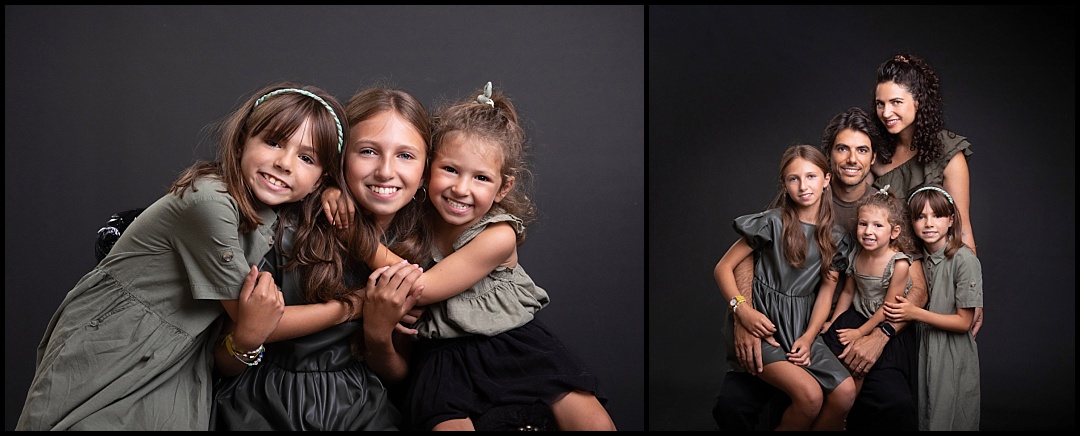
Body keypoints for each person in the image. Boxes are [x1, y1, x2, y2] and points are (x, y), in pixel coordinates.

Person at [16, 82, 347, 430]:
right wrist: (349, 308)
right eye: (273, 142)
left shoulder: (275, 214)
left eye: (306, 158)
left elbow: (245, 335)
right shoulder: (209, 201)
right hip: (116, 343)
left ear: (316, 181)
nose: (284, 163)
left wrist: (336, 194)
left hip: (181, 358)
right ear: (240, 143)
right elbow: (255, 317)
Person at [364, 81, 615, 431]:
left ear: (504, 188)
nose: (461, 188)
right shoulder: (411, 226)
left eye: (481, 177)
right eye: (449, 169)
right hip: (442, 360)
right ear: (427, 169)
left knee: (593, 422)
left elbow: (421, 287)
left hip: (513, 347)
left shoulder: (498, 235)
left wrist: (355, 239)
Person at [211, 86, 432, 430]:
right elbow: (227, 354)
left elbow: (400, 374)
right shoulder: (285, 228)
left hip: (360, 406)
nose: (386, 171)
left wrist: (377, 332)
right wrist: (353, 306)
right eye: (368, 151)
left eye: (405, 156)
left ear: (425, 172)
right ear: (338, 158)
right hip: (266, 402)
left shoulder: (414, 247)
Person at [713, 108, 927, 431]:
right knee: (743, 404)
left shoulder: (882, 208)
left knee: (876, 401)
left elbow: (915, 286)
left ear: (872, 160)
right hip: (778, 322)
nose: (852, 158)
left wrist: (877, 334)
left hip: (846, 324)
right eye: (842, 149)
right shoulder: (784, 211)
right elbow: (741, 260)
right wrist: (742, 312)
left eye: (862, 150)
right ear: (829, 159)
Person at [713, 144, 856, 430]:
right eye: (794, 179)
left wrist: (809, 336)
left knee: (845, 393)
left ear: (827, 180)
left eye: (811, 177)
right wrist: (742, 311)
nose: (804, 186)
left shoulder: (836, 238)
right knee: (810, 396)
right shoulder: (771, 223)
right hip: (766, 328)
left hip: (802, 328)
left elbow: (826, 293)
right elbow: (722, 268)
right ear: (785, 185)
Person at [869, 52, 983, 337]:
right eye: (880, 104)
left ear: (918, 102)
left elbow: (963, 226)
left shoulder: (947, 152)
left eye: (896, 102)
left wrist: (971, 294)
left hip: (941, 274)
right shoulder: (877, 155)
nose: (886, 112)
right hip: (892, 279)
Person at [884, 185, 982, 430]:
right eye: (920, 217)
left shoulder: (964, 260)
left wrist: (915, 313)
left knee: (947, 415)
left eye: (937, 216)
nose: (928, 223)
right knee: (922, 414)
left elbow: (963, 323)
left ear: (950, 220)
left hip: (951, 351)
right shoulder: (919, 258)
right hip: (923, 346)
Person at [821, 186, 916, 401]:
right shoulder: (857, 253)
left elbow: (887, 307)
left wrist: (861, 333)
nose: (868, 231)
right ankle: (835, 404)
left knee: (860, 369)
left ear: (894, 232)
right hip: (857, 313)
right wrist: (833, 322)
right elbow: (847, 292)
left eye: (877, 225)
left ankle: (846, 410)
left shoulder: (898, 264)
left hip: (882, 319)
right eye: (863, 224)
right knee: (831, 355)